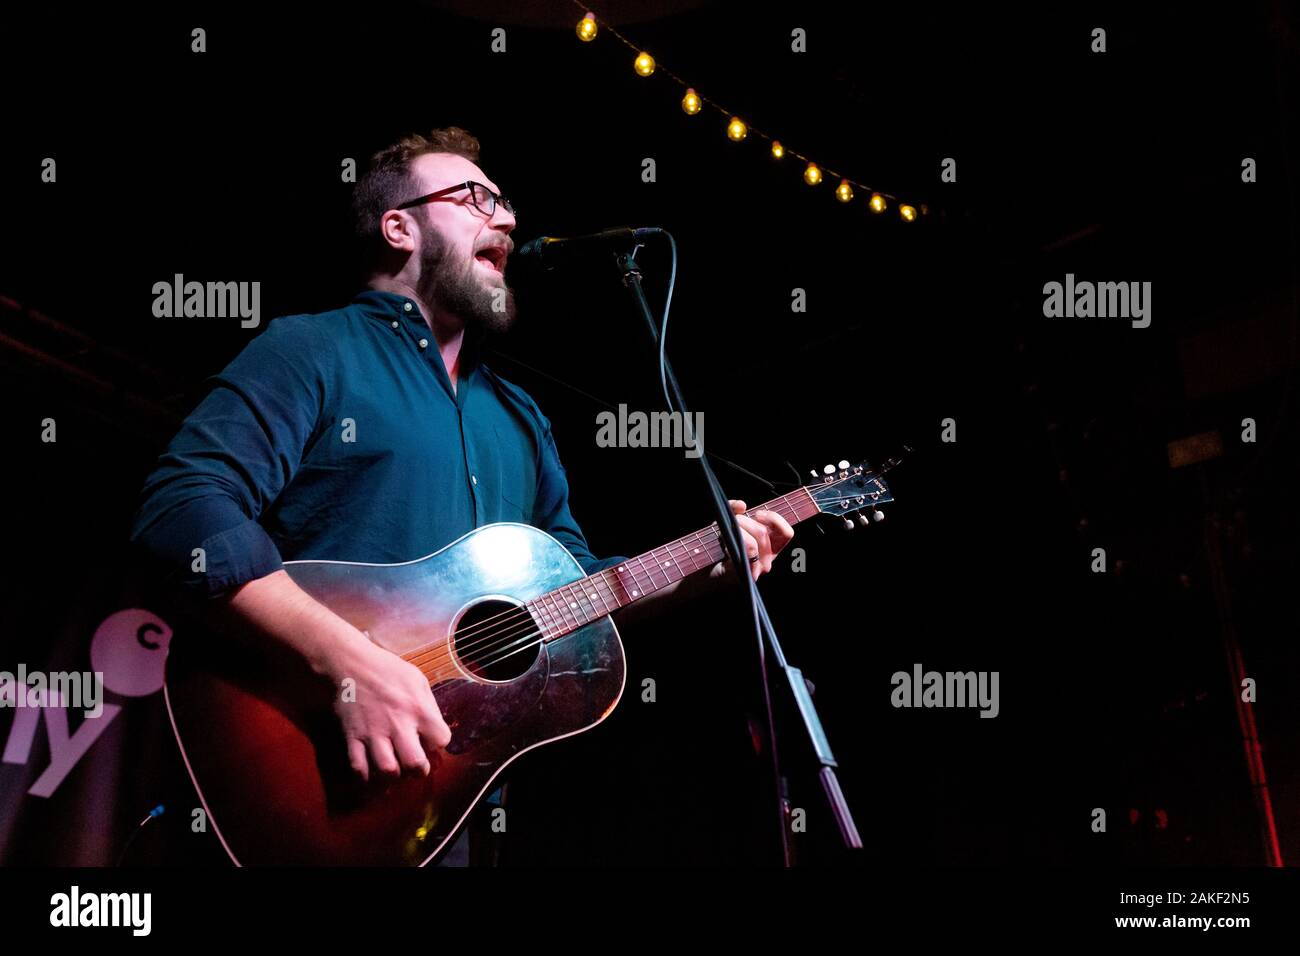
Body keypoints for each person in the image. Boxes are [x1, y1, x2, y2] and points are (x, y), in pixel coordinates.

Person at [129, 126, 793, 865]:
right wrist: (346, 662)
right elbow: (183, 510)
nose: (507, 218)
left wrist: (700, 568)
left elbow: (573, 593)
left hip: (445, 813)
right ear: (398, 226)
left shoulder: (519, 416)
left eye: (506, 203)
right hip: (298, 777)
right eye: (476, 198)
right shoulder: (312, 351)